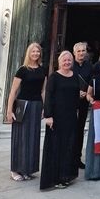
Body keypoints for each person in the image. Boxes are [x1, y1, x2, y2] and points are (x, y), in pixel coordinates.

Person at [6, 42, 46, 182]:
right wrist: (9, 110)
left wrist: (44, 108)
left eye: (38, 51)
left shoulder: (42, 70)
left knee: (33, 138)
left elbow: (43, 91)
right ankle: (15, 169)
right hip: (22, 105)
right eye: (33, 51)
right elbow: (13, 91)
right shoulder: (22, 70)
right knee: (20, 137)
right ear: (28, 53)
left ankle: (27, 169)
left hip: (36, 106)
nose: (35, 54)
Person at [40, 50, 80, 190]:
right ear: (59, 62)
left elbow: (76, 95)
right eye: (64, 60)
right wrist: (48, 116)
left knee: (68, 147)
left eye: (69, 60)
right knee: (56, 147)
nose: (67, 62)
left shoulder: (75, 76)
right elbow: (49, 96)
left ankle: (65, 176)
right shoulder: (54, 77)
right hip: (56, 117)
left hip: (70, 117)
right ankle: (54, 178)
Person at [72, 41, 91, 169]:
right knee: (69, 131)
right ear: (74, 53)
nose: (81, 53)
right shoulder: (68, 64)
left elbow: (92, 82)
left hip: (83, 103)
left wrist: (87, 92)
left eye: (83, 51)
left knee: (79, 131)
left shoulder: (90, 66)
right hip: (70, 104)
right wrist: (75, 92)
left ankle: (77, 158)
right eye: (78, 51)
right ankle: (68, 157)